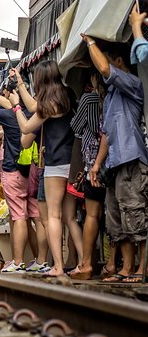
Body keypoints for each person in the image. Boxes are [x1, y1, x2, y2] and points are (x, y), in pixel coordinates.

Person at [10, 60, 82, 277]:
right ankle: (84, 263)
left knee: (52, 216)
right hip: (72, 163)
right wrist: (21, 85)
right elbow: (34, 106)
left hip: (55, 165)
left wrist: (15, 106)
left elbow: (25, 126)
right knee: (70, 218)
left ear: (40, 80)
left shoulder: (49, 104)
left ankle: (58, 266)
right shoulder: (67, 96)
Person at [85, 35, 147, 283]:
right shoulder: (110, 95)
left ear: (119, 61)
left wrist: (90, 42)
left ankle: (141, 270)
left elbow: (103, 67)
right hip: (114, 163)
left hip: (131, 159)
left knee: (136, 215)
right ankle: (127, 269)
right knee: (117, 220)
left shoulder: (132, 83)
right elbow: (106, 134)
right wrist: (97, 164)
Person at [0, 73, 46, 273]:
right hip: (34, 170)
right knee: (37, 217)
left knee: (19, 216)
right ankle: (41, 260)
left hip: (14, 170)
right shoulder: (35, 111)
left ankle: (17, 262)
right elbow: (11, 104)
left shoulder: (8, 115)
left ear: (11, 96)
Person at [69, 71, 106, 280]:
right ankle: (112, 263)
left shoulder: (89, 98)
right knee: (109, 216)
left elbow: (74, 126)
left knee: (92, 214)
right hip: (112, 160)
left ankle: (86, 264)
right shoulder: (110, 96)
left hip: (92, 158)